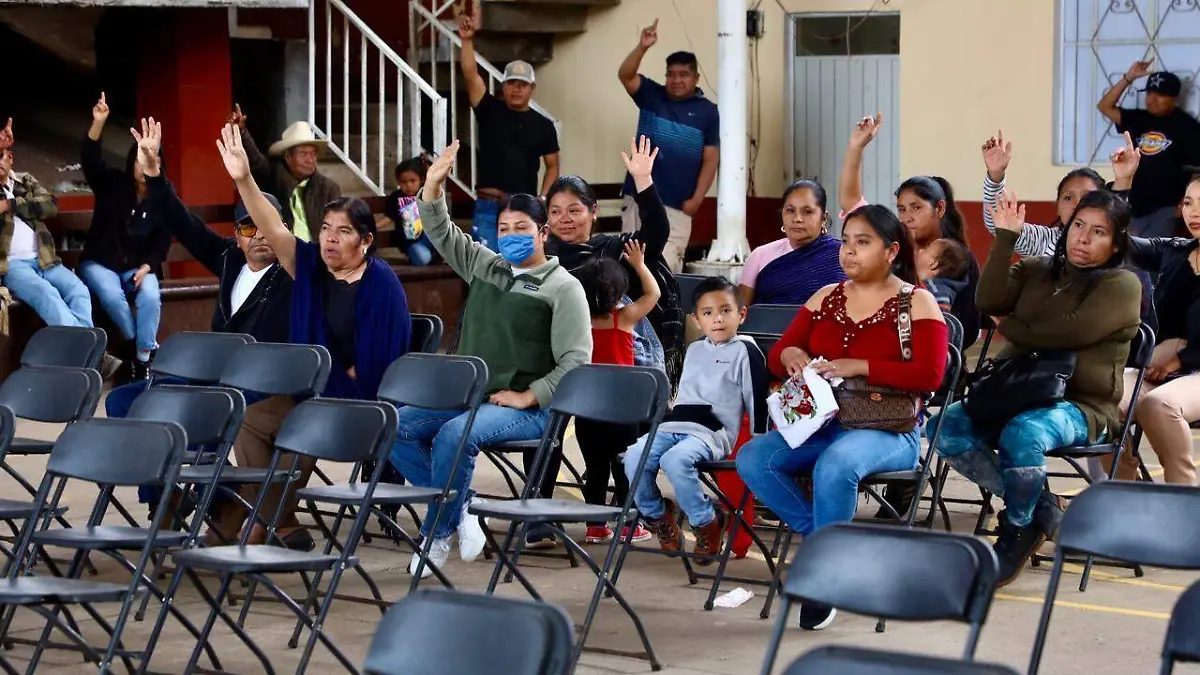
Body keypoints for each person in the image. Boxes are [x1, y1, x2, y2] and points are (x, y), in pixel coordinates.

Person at [736, 205, 948, 630]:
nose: (849, 252)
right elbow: (780, 353)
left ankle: (827, 577)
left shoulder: (916, 301)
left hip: (889, 429)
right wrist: (791, 353)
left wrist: (859, 365)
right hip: (826, 422)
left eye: (863, 242)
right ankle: (829, 544)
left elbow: (931, 375)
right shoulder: (826, 296)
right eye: (846, 241)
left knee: (837, 464)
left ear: (891, 251)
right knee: (754, 458)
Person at [393, 139, 590, 577]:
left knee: (453, 437)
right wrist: (432, 186)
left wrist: (528, 396)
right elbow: (440, 230)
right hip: (469, 395)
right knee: (397, 427)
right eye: (504, 229)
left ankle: (437, 533)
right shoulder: (486, 266)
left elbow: (576, 362)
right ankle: (461, 509)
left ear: (543, 233)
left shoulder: (562, 288)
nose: (511, 237)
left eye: (522, 228)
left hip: (528, 408)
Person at [212, 123, 412, 549]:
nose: (329, 238)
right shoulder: (310, 269)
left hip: (358, 403)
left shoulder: (381, 285)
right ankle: (280, 522)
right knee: (248, 417)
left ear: (366, 240)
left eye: (342, 231)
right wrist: (244, 179)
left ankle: (252, 522)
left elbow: (379, 366)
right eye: (325, 228)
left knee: (300, 427)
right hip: (311, 392)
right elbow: (273, 226)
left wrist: (335, 382)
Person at [931, 189, 1141, 587]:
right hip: (1017, 391)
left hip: (1082, 406)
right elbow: (986, 298)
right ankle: (1043, 506)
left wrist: (1010, 326)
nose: (1082, 237)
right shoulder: (1037, 268)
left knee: (1024, 433)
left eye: (1098, 232)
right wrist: (1005, 238)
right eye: (1078, 225)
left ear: (1116, 243)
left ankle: (1018, 527)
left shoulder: (1122, 284)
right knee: (944, 427)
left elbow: (1071, 331)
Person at [106, 118, 294, 515]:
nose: (259, 235)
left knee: (192, 408)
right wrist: (154, 173)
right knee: (125, 401)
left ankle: (207, 505)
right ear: (238, 233)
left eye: (269, 227)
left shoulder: (295, 274)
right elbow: (181, 222)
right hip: (211, 378)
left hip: (258, 384)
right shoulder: (228, 257)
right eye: (248, 226)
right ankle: (172, 496)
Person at [626, 276, 768, 564]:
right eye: (708, 313)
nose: (717, 319)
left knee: (675, 461)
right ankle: (658, 517)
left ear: (741, 314)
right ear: (696, 319)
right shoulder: (694, 350)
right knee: (633, 456)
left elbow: (757, 398)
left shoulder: (746, 349)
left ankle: (707, 523)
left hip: (713, 431)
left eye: (725, 311)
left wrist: (760, 441)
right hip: (676, 424)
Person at [545, 136, 685, 383]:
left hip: (619, 369)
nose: (564, 219)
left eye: (574, 210)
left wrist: (643, 180)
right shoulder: (543, 258)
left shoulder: (613, 249)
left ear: (594, 212)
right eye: (555, 212)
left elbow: (656, 233)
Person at [0, 119, 121, 379]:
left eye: (5, 156)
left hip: (45, 260)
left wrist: (11, 206)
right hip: (13, 266)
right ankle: (95, 356)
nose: (1, 161)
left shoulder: (24, 181)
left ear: (12, 158)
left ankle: (87, 359)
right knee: (48, 295)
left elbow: (50, 205)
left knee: (78, 290)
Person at [77, 94, 171, 379]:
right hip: (99, 263)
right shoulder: (113, 183)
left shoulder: (163, 197)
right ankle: (133, 346)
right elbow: (90, 161)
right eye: (139, 160)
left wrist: (147, 267)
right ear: (131, 162)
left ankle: (142, 360)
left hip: (136, 266)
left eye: (149, 160)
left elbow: (161, 242)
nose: (143, 167)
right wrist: (98, 122)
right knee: (112, 295)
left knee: (151, 295)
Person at [1114, 175, 1200, 485]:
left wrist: (1176, 361)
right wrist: (1124, 184)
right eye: (1189, 202)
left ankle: (1183, 502)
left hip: (1188, 371)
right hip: (1160, 368)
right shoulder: (1174, 250)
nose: (1194, 212)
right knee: (1100, 395)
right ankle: (1125, 495)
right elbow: (1118, 240)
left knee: (1159, 404)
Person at [617, 18, 720, 273]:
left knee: (667, 268)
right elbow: (625, 74)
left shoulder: (708, 112)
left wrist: (697, 199)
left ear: (696, 77)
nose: (676, 80)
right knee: (632, 266)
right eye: (671, 74)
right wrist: (643, 46)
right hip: (638, 199)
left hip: (677, 205)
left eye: (684, 74)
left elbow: (711, 158)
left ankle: (664, 314)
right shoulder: (651, 96)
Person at [574, 241, 658, 544]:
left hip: (586, 411)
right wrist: (639, 264)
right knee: (624, 468)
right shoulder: (622, 318)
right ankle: (629, 525)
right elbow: (653, 294)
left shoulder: (578, 323)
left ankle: (595, 526)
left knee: (594, 470)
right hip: (623, 410)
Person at [458, 15, 560, 251]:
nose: (517, 88)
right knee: (483, 267)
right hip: (487, 204)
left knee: (520, 266)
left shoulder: (544, 124)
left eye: (522, 84)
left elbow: (552, 165)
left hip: (523, 206)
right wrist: (466, 41)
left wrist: (543, 198)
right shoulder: (489, 109)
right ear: (504, 85)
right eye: (512, 83)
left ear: (531, 88)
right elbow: (470, 74)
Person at [1097, 61, 1200, 237]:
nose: (1152, 99)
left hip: (1164, 210)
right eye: (1150, 93)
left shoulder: (1188, 127)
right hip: (1131, 204)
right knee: (1127, 258)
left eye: (1160, 94)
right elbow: (1104, 107)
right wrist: (1128, 78)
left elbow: (1197, 170)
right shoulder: (1138, 118)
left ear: (1174, 98)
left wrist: (1185, 203)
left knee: (1152, 259)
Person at [229, 105, 342, 243]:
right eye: (304, 154)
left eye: (313, 154)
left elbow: (337, 225)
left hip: (319, 255)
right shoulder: (274, 176)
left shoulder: (328, 188)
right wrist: (242, 132)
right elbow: (255, 160)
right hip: (283, 254)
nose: (310, 160)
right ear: (288, 157)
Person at [738, 179, 846, 306]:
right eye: (790, 210)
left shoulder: (841, 254)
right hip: (770, 326)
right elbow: (740, 314)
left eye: (807, 212)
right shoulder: (759, 256)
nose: (797, 219)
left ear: (824, 218)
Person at [384, 157, 439, 267]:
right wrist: (372, 226)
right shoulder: (396, 197)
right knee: (422, 258)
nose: (408, 185)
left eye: (413, 181)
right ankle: (431, 258)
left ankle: (439, 256)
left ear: (421, 180)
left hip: (428, 238)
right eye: (403, 182)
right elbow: (389, 217)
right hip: (410, 243)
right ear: (398, 182)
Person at [917, 238, 971, 312]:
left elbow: (940, 317)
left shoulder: (938, 291)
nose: (921, 251)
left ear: (933, 264)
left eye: (926, 249)